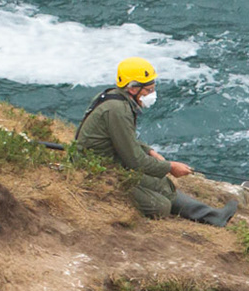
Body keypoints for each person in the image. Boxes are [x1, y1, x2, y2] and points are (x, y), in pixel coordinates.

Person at [76, 57, 237, 226]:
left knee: (163, 184)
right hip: (97, 170)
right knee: (160, 206)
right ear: (133, 89)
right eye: (148, 90)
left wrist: (150, 151)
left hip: (109, 161)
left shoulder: (115, 99)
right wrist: (170, 167)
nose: (152, 94)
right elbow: (135, 161)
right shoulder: (118, 110)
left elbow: (126, 139)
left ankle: (213, 216)